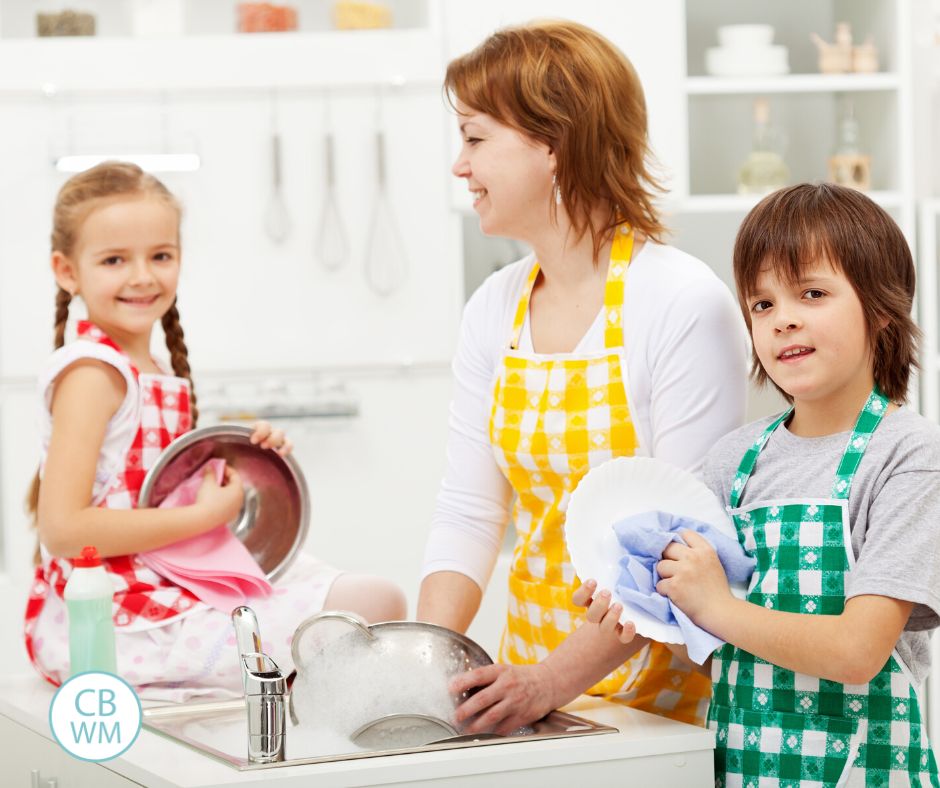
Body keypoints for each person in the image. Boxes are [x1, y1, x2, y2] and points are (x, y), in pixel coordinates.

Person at [417, 20, 749, 733]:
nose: (460, 165)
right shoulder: (494, 309)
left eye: (476, 138)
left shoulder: (682, 304)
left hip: (659, 707)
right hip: (530, 684)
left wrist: (549, 683)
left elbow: (681, 546)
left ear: (555, 145)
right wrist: (421, 663)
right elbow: (471, 512)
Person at [576, 183, 940, 784]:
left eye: (812, 293)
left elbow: (857, 652)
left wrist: (713, 605)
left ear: (880, 308)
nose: (783, 319)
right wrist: (642, 610)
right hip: (744, 770)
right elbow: (712, 645)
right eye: (761, 304)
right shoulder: (734, 461)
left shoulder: (906, 454)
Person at [24, 162, 406, 701]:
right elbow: (63, 530)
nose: (141, 276)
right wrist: (204, 516)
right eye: (114, 260)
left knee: (372, 600)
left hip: (168, 583)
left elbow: (154, 488)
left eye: (160, 255)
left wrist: (247, 458)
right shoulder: (92, 374)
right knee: (367, 608)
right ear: (67, 271)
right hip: (114, 618)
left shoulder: (151, 367)